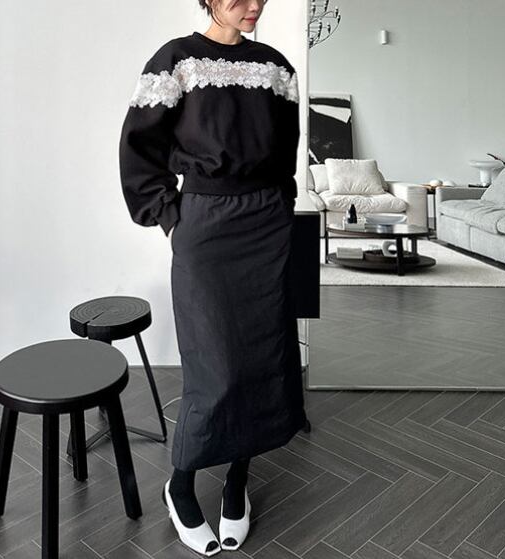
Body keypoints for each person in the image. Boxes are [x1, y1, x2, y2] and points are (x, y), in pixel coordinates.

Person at [118, 0, 306, 555]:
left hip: (268, 226)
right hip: (205, 225)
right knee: (214, 364)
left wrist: (283, 211)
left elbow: (286, 154)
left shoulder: (277, 68)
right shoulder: (177, 61)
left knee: (260, 358)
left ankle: (236, 481)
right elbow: (138, 147)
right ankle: (180, 484)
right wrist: (170, 217)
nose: (253, 6)